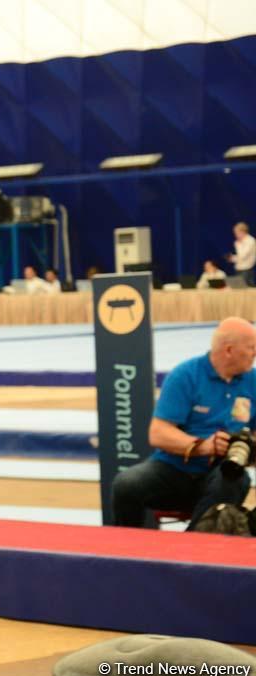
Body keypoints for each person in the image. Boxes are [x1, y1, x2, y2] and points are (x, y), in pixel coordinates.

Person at [111, 317, 255, 529]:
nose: (254, 354)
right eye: (251, 348)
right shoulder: (186, 375)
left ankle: (191, 548)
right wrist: (203, 446)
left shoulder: (252, 381)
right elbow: (158, 433)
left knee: (235, 479)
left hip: (223, 472)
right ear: (229, 350)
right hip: (174, 468)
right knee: (126, 484)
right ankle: (127, 550)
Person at [227, 222, 255, 286]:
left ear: (243, 232)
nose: (235, 235)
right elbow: (239, 257)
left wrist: (238, 244)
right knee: (238, 290)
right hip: (239, 268)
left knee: (247, 290)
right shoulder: (237, 242)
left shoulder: (250, 241)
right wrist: (231, 258)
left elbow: (243, 256)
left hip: (247, 269)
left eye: (236, 233)